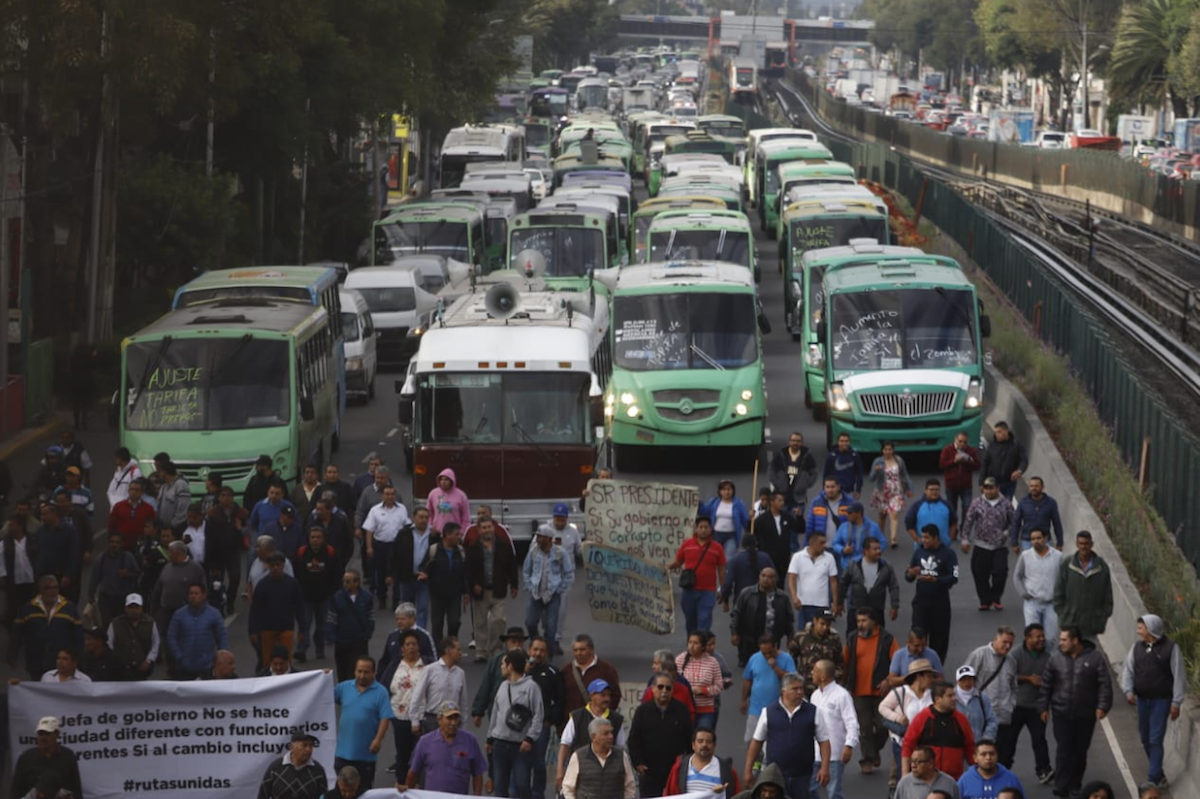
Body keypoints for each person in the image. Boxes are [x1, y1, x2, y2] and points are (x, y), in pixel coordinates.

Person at [1038, 626, 1113, 798]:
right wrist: (1043, 707)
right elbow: (1046, 685)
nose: (1060, 643)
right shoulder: (1055, 658)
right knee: (1064, 749)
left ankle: (1075, 783)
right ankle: (1061, 785)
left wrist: (1103, 706)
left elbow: (1104, 684)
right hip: (1061, 713)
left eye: (1064, 639)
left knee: (1080, 751)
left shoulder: (1095, 658)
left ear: (1075, 640)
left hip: (1085, 715)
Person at [1120, 614, 1184, 790]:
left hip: (1162, 701)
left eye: (1141, 627)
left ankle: (1152, 779)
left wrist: (1176, 702)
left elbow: (1179, 676)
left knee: (1155, 739)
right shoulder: (1136, 648)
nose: (1137, 631)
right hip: (1142, 700)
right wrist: (1128, 691)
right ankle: (1159, 774)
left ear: (1150, 629)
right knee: (1145, 737)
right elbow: (1128, 671)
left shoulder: (1171, 649)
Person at [743, 672, 831, 799]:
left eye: (801, 688)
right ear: (783, 691)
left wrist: (824, 768)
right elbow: (756, 742)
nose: (800, 692)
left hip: (803, 774)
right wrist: (748, 770)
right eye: (795, 689)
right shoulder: (768, 712)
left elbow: (824, 742)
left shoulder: (814, 712)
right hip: (775, 776)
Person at [843, 606, 897, 775]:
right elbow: (844, 662)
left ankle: (874, 751)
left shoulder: (887, 639)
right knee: (864, 728)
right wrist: (844, 685)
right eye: (858, 621)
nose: (860, 624)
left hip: (882, 692)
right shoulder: (852, 639)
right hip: (859, 691)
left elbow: (896, 663)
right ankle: (867, 760)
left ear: (874, 621)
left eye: (864, 621)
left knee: (884, 727)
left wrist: (889, 680)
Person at [487, 648, 545, 798]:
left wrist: (530, 738)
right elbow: (495, 712)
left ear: (510, 666)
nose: (501, 667)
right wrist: (490, 737)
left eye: (503, 664)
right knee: (500, 785)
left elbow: (538, 715)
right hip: (500, 743)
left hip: (520, 746)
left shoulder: (531, 687)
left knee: (521, 784)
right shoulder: (502, 686)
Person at [879, 659, 938, 795]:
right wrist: (898, 718)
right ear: (919, 676)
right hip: (904, 741)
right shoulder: (901, 692)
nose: (932, 679)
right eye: (929, 675)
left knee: (926, 775)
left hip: (926, 743)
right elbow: (882, 707)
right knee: (906, 775)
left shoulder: (932, 694)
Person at [402, 700, 487, 794]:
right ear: (439, 720)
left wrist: (477, 796)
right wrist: (407, 794)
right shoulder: (425, 742)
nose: (453, 723)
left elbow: (478, 774)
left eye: (456, 718)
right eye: (449, 718)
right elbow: (413, 772)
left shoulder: (470, 740)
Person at [334, 655, 393, 790]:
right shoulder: (343, 688)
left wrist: (378, 739)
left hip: (365, 755)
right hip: (342, 754)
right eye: (359, 671)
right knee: (341, 791)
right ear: (355, 671)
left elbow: (385, 718)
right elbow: (323, 695)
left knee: (363, 791)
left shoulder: (381, 692)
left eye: (366, 672)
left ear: (373, 673)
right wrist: (323, 677)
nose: (362, 675)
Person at [7, 575, 83, 679]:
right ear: (40, 589)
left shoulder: (69, 608)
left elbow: (78, 635)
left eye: (55, 587)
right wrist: (12, 654)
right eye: (48, 588)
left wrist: (79, 658)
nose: (53, 591)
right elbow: (17, 633)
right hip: (35, 660)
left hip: (61, 663)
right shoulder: (28, 608)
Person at [557, 678, 628, 788]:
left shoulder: (616, 719)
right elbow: (565, 744)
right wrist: (560, 770)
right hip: (580, 770)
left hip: (608, 773)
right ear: (592, 695)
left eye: (608, 695)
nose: (607, 699)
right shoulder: (577, 717)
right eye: (602, 695)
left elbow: (620, 748)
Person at [466, 515, 518, 661]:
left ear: (493, 528)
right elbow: (468, 570)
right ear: (479, 530)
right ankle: (481, 651)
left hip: (498, 590)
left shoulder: (504, 546)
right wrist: (472, 586)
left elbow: (512, 567)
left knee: (499, 621)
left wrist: (514, 585)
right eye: (484, 527)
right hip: (480, 591)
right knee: (480, 622)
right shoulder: (473, 548)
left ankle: (495, 649)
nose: (487, 530)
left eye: (489, 527)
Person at [906, 525, 959, 663]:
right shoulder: (919, 552)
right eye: (922, 537)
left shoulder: (948, 554)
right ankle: (917, 666)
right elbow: (909, 576)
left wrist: (936, 580)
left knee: (939, 640)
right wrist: (910, 574)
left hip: (940, 605)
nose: (923, 540)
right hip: (920, 604)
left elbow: (954, 577)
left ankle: (936, 669)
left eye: (927, 537)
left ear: (936, 538)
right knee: (917, 635)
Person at [901, 681, 975, 780]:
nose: (954, 699)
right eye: (950, 696)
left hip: (954, 779)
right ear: (938, 699)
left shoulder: (961, 720)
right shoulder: (922, 718)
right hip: (926, 778)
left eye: (954, 695)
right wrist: (905, 774)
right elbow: (908, 746)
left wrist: (976, 773)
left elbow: (970, 748)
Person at [961, 477, 1015, 612]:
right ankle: (985, 600)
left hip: (999, 545)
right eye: (986, 488)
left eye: (991, 488)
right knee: (979, 573)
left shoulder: (1006, 503)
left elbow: (1014, 521)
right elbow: (968, 521)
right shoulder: (977, 503)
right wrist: (965, 539)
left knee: (1000, 572)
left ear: (997, 488)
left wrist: (1007, 534)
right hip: (981, 544)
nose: (988, 491)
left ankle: (996, 597)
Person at [1005, 624, 1051, 781]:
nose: (1042, 639)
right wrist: (1028, 678)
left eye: (1042, 636)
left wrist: (1045, 706)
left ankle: (1044, 770)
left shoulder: (1047, 655)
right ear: (1028, 638)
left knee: (1039, 739)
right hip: (1016, 706)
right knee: (1009, 740)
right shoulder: (1015, 654)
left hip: (1036, 707)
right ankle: (1003, 770)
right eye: (1038, 636)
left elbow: (1052, 679)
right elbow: (1008, 676)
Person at [668, 516, 727, 635]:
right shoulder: (687, 544)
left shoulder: (717, 548)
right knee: (690, 624)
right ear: (696, 529)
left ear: (711, 529)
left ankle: (702, 650)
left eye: (706, 527)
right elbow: (678, 562)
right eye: (701, 527)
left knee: (704, 623)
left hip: (708, 592)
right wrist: (665, 568)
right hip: (689, 590)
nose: (703, 530)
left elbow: (721, 570)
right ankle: (692, 650)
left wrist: (722, 589)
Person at [808, 659, 858, 799]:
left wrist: (849, 745)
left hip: (835, 754)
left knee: (833, 793)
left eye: (815, 671)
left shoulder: (842, 695)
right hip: (815, 753)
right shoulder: (815, 696)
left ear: (823, 676)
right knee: (809, 790)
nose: (812, 673)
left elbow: (852, 723)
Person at [1052, 530, 1113, 642]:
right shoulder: (1067, 565)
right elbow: (1058, 592)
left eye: (1086, 544)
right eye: (1081, 544)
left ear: (1091, 544)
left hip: (1091, 625)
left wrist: (1101, 618)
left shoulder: (1102, 567)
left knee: (1089, 658)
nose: (1083, 547)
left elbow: (1108, 596)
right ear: (1076, 544)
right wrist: (1063, 613)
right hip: (1069, 623)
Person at [294, 525, 342, 662]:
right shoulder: (302, 552)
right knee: (305, 624)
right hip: (306, 597)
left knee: (322, 625)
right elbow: (295, 572)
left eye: (318, 537)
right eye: (312, 537)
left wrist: (334, 590)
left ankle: (319, 649)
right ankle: (301, 650)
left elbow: (337, 572)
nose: (315, 540)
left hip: (324, 596)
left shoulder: (330, 552)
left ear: (323, 539)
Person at [963, 627, 1016, 748]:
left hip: (1004, 718)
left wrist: (1010, 706)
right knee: (981, 755)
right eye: (1004, 642)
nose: (1008, 646)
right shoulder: (979, 654)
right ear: (995, 639)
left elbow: (1014, 687)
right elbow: (964, 682)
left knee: (1003, 757)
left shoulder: (1011, 661)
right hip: (983, 718)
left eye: (1011, 643)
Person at [523, 525, 574, 653]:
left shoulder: (560, 552)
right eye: (537, 537)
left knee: (551, 628)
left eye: (540, 537)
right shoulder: (533, 551)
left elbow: (568, 573)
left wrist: (559, 589)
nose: (538, 539)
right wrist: (530, 586)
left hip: (552, 595)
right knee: (530, 623)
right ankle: (536, 645)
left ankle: (548, 654)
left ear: (548, 539)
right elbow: (526, 571)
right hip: (536, 594)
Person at [248, 551, 304, 666]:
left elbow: (299, 607)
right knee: (268, 661)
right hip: (267, 628)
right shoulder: (262, 585)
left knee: (286, 659)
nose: (275, 568)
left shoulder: (292, 583)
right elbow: (255, 609)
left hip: (287, 626)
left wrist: (302, 629)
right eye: (272, 565)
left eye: (278, 565)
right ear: (268, 566)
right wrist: (253, 631)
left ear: (283, 565)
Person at [526, 636, 565, 797]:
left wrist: (551, 720)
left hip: (542, 725)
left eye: (542, 650)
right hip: (521, 725)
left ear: (547, 653)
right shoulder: (521, 670)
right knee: (520, 762)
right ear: (529, 651)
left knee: (539, 763)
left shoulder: (553, 672)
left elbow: (560, 699)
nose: (538, 653)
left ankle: (537, 793)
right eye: (535, 649)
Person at [561, 717, 637, 799]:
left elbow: (630, 785)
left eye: (611, 732)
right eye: (606, 733)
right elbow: (568, 787)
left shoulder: (621, 756)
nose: (611, 736)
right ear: (594, 737)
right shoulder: (579, 756)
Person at [731, 568, 793, 667]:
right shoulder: (747, 593)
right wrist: (734, 633)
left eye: (770, 577)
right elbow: (736, 614)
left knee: (770, 667)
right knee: (750, 667)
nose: (766, 579)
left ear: (775, 579)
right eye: (763, 576)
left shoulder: (782, 597)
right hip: (750, 640)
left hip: (772, 640)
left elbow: (789, 619)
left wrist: (790, 637)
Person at [387, 629, 427, 779]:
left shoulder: (427, 665)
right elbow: (385, 687)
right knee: (402, 755)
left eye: (414, 644)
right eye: (408, 644)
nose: (411, 647)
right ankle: (402, 785)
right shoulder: (394, 666)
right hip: (400, 718)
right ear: (402, 647)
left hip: (422, 717)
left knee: (421, 755)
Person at [418, 521, 468, 642]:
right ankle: (437, 650)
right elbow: (424, 567)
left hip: (455, 595)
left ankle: (452, 646)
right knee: (437, 625)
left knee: (454, 622)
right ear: (446, 535)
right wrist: (424, 575)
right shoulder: (434, 550)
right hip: (437, 594)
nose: (459, 537)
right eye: (456, 534)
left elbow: (465, 573)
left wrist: (466, 592)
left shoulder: (460, 551)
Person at [10, 717, 82, 799]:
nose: (43, 738)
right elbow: (15, 791)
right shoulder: (26, 757)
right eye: (40, 734)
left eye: (47, 734)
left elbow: (76, 789)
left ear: (57, 734)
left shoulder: (68, 756)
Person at [741, 635, 796, 742]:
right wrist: (743, 700)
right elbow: (748, 680)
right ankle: (756, 759)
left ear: (776, 646)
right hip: (756, 709)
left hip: (779, 709)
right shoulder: (754, 659)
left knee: (775, 740)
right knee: (751, 740)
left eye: (770, 652)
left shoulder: (787, 659)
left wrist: (775, 667)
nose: (767, 655)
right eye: (763, 652)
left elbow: (792, 680)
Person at [839, 536, 900, 633]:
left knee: (878, 639)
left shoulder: (886, 566)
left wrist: (894, 606)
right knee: (853, 638)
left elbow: (893, 587)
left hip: (876, 611)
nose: (878, 551)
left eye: (879, 548)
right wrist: (839, 602)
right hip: (856, 609)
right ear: (865, 551)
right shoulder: (853, 565)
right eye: (874, 549)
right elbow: (843, 583)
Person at [409, 636, 469, 734]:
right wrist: (414, 721)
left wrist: (463, 725)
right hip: (433, 720)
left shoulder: (460, 673)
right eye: (458, 649)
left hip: (453, 721)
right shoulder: (430, 670)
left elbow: (463, 702)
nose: (460, 653)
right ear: (448, 650)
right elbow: (417, 695)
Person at [363, 485, 410, 610]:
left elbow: (407, 526)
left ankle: (396, 599)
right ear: (382, 496)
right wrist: (369, 547)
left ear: (395, 496)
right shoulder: (375, 510)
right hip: (380, 545)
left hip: (397, 547)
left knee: (397, 573)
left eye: (392, 494)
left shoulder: (402, 509)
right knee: (381, 573)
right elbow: (369, 530)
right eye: (387, 494)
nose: (390, 497)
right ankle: (382, 597)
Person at [167, 582, 227, 679]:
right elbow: (171, 636)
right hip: (184, 666)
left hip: (207, 666)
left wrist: (222, 657)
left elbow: (222, 636)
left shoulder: (214, 614)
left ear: (203, 596)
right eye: (191, 593)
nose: (193, 596)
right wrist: (179, 656)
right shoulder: (179, 615)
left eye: (196, 593)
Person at [1012, 529, 1062, 644]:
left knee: (1050, 639)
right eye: (1033, 539)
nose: (1036, 541)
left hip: (1052, 604)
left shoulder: (1058, 557)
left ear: (1045, 538)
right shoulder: (1025, 556)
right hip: (1032, 603)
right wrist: (1023, 593)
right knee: (1032, 638)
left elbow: (1065, 578)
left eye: (1039, 538)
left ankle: (1048, 661)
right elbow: (1017, 576)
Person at [471, 627, 529, 723]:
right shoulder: (496, 661)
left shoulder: (528, 661)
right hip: (497, 710)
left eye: (520, 642)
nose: (517, 645)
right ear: (506, 643)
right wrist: (478, 711)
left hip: (522, 712)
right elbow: (486, 685)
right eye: (513, 642)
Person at [325, 569, 375, 682]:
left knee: (355, 669)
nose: (345, 584)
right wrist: (331, 635)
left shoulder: (366, 597)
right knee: (342, 669)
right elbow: (332, 617)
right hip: (342, 640)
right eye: (344, 581)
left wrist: (368, 633)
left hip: (359, 640)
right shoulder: (337, 597)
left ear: (357, 583)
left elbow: (370, 616)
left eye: (348, 581)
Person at [663, 728, 740, 799]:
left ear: (714, 746)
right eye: (700, 741)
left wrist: (722, 792)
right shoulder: (679, 768)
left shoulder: (727, 771)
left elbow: (737, 796)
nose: (704, 745)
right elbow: (670, 794)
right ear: (693, 745)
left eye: (709, 742)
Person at [390, 506, 433, 629]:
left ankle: (420, 633)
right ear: (414, 518)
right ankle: (406, 633)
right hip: (406, 577)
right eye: (420, 517)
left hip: (424, 578)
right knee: (407, 609)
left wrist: (428, 572)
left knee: (423, 608)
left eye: (426, 517)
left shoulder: (433, 535)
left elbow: (435, 558)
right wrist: (390, 573)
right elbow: (394, 553)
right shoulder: (404, 533)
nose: (423, 520)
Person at [88, 531, 141, 630]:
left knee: (122, 625)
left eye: (117, 542)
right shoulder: (101, 559)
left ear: (122, 544)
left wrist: (127, 574)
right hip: (106, 598)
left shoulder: (128, 558)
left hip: (122, 598)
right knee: (107, 624)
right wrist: (91, 595)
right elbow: (94, 578)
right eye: (112, 542)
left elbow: (138, 574)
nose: (114, 545)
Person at [379, 603, 437, 692]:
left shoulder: (425, 636)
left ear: (413, 619)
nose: (399, 622)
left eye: (402, 619)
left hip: (417, 683)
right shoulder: (392, 636)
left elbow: (433, 662)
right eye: (397, 619)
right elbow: (385, 660)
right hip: (393, 682)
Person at [786, 529, 838, 628]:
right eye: (821, 543)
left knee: (822, 633)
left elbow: (833, 582)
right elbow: (792, 579)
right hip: (804, 603)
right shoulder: (798, 557)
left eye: (825, 542)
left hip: (822, 604)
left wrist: (835, 603)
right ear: (811, 542)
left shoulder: (829, 558)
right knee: (803, 633)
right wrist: (794, 597)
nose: (824, 545)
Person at [258, 731, 328, 799]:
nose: (308, 749)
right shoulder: (275, 768)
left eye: (311, 746)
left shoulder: (318, 771)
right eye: (304, 745)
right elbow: (263, 795)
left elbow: (324, 796)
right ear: (291, 747)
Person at [719, 535, 775, 619]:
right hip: (763, 600)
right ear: (756, 543)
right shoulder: (765, 558)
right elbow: (774, 576)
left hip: (741, 602)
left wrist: (725, 600)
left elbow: (728, 583)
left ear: (742, 544)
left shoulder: (735, 560)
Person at [676, 632, 724, 731]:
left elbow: (719, 686)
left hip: (705, 710)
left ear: (703, 647)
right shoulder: (680, 660)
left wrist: (703, 690)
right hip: (685, 709)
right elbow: (673, 681)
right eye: (690, 642)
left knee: (703, 737)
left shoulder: (712, 662)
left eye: (695, 643)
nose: (692, 646)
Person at [107, 592, 159, 680]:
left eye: (137, 607)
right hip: (121, 670)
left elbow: (155, 643)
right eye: (130, 607)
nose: (134, 610)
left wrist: (148, 660)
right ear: (125, 608)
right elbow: (109, 644)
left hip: (142, 669)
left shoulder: (150, 623)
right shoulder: (115, 623)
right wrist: (115, 662)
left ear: (142, 608)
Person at [868, 442, 911, 548]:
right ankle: (881, 536)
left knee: (894, 513)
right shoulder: (878, 461)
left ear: (893, 450)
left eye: (890, 449)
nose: (888, 451)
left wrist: (909, 488)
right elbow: (871, 478)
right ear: (882, 451)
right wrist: (876, 471)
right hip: (882, 492)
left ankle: (893, 539)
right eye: (885, 449)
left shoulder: (899, 461)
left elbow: (904, 474)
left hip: (896, 491)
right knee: (882, 515)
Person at [790, 610, 844, 694]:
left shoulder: (834, 639)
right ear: (815, 620)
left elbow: (839, 662)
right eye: (822, 624)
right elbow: (791, 659)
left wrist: (836, 680)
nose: (825, 627)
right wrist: (795, 678)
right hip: (805, 686)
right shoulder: (801, 637)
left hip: (826, 687)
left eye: (828, 625)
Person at [768, 431, 818, 521]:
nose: (795, 443)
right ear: (789, 442)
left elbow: (814, 472)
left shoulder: (807, 456)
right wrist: (777, 483)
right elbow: (772, 469)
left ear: (801, 443)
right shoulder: (781, 455)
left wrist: (806, 483)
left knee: (795, 527)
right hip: (782, 498)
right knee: (781, 526)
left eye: (798, 441)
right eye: (793, 440)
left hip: (798, 500)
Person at [1, 512, 38, 626]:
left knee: (30, 608)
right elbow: (1, 561)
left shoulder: (32, 541)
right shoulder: (4, 544)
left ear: (21, 527)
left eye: (13, 525)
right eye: (10, 526)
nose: (11, 528)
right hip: (14, 582)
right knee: (12, 609)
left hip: (30, 581)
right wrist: (2, 577)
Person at [1010, 477, 1064, 553]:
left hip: (1045, 541)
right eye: (1031, 486)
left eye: (1036, 486)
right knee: (1029, 564)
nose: (1033, 488)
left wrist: (1060, 543)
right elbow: (1016, 523)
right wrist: (1014, 542)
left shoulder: (1051, 503)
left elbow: (1057, 523)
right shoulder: (1023, 503)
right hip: (1027, 541)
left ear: (1042, 487)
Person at [701, 480, 751, 562]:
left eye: (729, 489)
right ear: (720, 491)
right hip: (716, 535)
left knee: (729, 558)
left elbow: (745, 519)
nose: (726, 492)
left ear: (733, 491)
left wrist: (750, 519)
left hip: (731, 536)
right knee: (714, 557)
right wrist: (699, 504)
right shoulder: (714, 502)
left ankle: (728, 574)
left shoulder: (738, 504)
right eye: (724, 489)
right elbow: (704, 511)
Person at [940, 431, 981, 527]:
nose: (962, 444)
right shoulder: (947, 450)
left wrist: (967, 461)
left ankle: (964, 530)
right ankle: (953, 529)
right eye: (960, 441)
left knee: (967, 508)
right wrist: (954, 461)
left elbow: (977, 466)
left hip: (966, 486)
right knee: (951, 509)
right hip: (951, 485)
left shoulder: (971, 451)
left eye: (965, 442)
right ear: (955, 440)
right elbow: (942, 465)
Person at [107, 475, 156, 552]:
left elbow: (151, 527)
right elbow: (112, 525)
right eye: (131, 489)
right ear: (128, 491)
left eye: (137, 490)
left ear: (142, 492)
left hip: (140, 546)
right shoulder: (119, 506)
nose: (133, 492)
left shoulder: (148, 508)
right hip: (121, 545)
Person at [830, 501, 883, 572]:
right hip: (847, 566)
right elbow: (835, 543)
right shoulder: (843, 527)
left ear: (859, 513)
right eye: (847, 512)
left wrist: (874, 553)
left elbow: (882, 542)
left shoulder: (873, 527)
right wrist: (843, 550)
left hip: (867, 566)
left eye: (850, 513)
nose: (847, 515)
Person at [755, 492, 799, 576]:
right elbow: (753, 531)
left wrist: (799, 517)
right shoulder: (762, 519)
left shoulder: (787, 517)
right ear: (772, 502)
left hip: (783, 556)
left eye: (783, 500)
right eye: (779, 500)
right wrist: (751, 520)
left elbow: (799, 528)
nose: (782, 503)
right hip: (768, 556)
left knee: (781, 580)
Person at [894, 745, 961, 799]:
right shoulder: (904, 783)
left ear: (930, 764)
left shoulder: (949, 783)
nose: (913, 765)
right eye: (912, 761)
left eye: (918, 762)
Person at [980, 422, 1027, 500]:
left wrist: (1019, 471)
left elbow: (1024, 460)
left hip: (1009, 482)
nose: (996, 435)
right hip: (993, 482)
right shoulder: (992, 446)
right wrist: (981, 482)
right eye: (995, 432)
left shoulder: (1016, 445)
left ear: (1006, 431)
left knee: (1006, 504)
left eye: (999, 432)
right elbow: (985, 464)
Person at [904, 479, 957, 547]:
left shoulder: (947, 505)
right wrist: (917, 539)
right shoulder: (917, 506)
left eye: (936, 489)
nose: (934, 492)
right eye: (931, 490)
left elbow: (954, 522)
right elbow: (909, 524)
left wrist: (950, 539)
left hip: (943, 546)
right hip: (922, 548)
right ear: (925, 491)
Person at [953, 665, 998, 742]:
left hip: (977, 744)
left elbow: (991, 720)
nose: (967, 682)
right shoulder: (951, 697)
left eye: (970, 679)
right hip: (956, 745)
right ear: (957, 680)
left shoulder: (982, 697)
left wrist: (986, 738)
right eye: (963, 679)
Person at [804, 479, 850, 552]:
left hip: (841, 548)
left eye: (832, 487)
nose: (830, 490)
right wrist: (807, 546)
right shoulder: (816, 502)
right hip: (822, 548)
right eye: (827, 487)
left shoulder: (848, 502)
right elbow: (810, 525)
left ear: (838, 487)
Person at [426, 468, 470, 533]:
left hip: (454, 533)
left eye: (446, 480)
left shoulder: (461, 495)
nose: (443, 482)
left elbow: (465, 517)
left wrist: (462, 531)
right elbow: (429, 513)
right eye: (441, 479)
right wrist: (430, 527)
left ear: (451, 481)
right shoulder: (433, 494)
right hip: (437, 532)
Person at [823, 432, 864, 499]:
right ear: (838, 442)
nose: (844, 443)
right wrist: (824, 490)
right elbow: (826, 474)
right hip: (834, 492)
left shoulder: (855, 456)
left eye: (846, 441)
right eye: (842, 441)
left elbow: (859, 474)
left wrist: (858, 490)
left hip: (849, 491)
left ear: (849, 442)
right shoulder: (831, 456)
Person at [156, 462, 191, 529]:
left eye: (159, 471)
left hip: (176, 528)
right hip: (164, 528)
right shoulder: (164, 487)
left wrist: (174, 524)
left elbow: (183, 508)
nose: (158, 474)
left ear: (164, 472)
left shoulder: (181, 484)